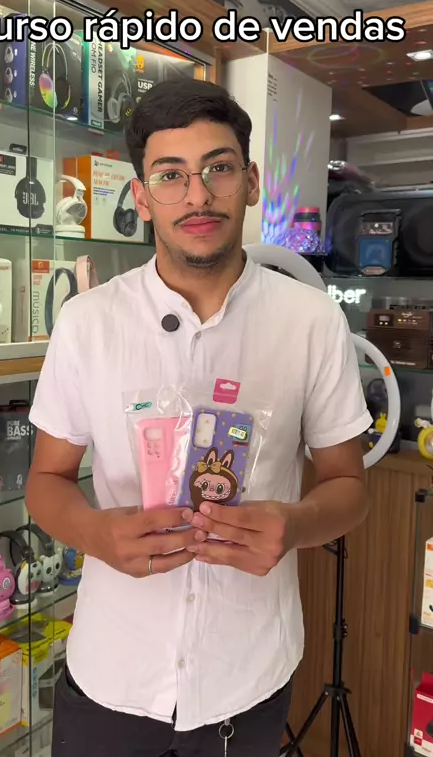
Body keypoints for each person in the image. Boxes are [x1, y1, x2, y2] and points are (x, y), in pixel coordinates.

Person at [26, 78, 371, 757]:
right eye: (171, 175)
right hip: (113, 671)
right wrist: (95, 533)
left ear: (251, 181)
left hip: (249, 675)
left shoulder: (312, 321)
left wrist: (296, 525)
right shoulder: (87, 323)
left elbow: (348, 486)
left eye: (218, 168)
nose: (198, 194)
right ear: (141, 196)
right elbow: (46, 480)